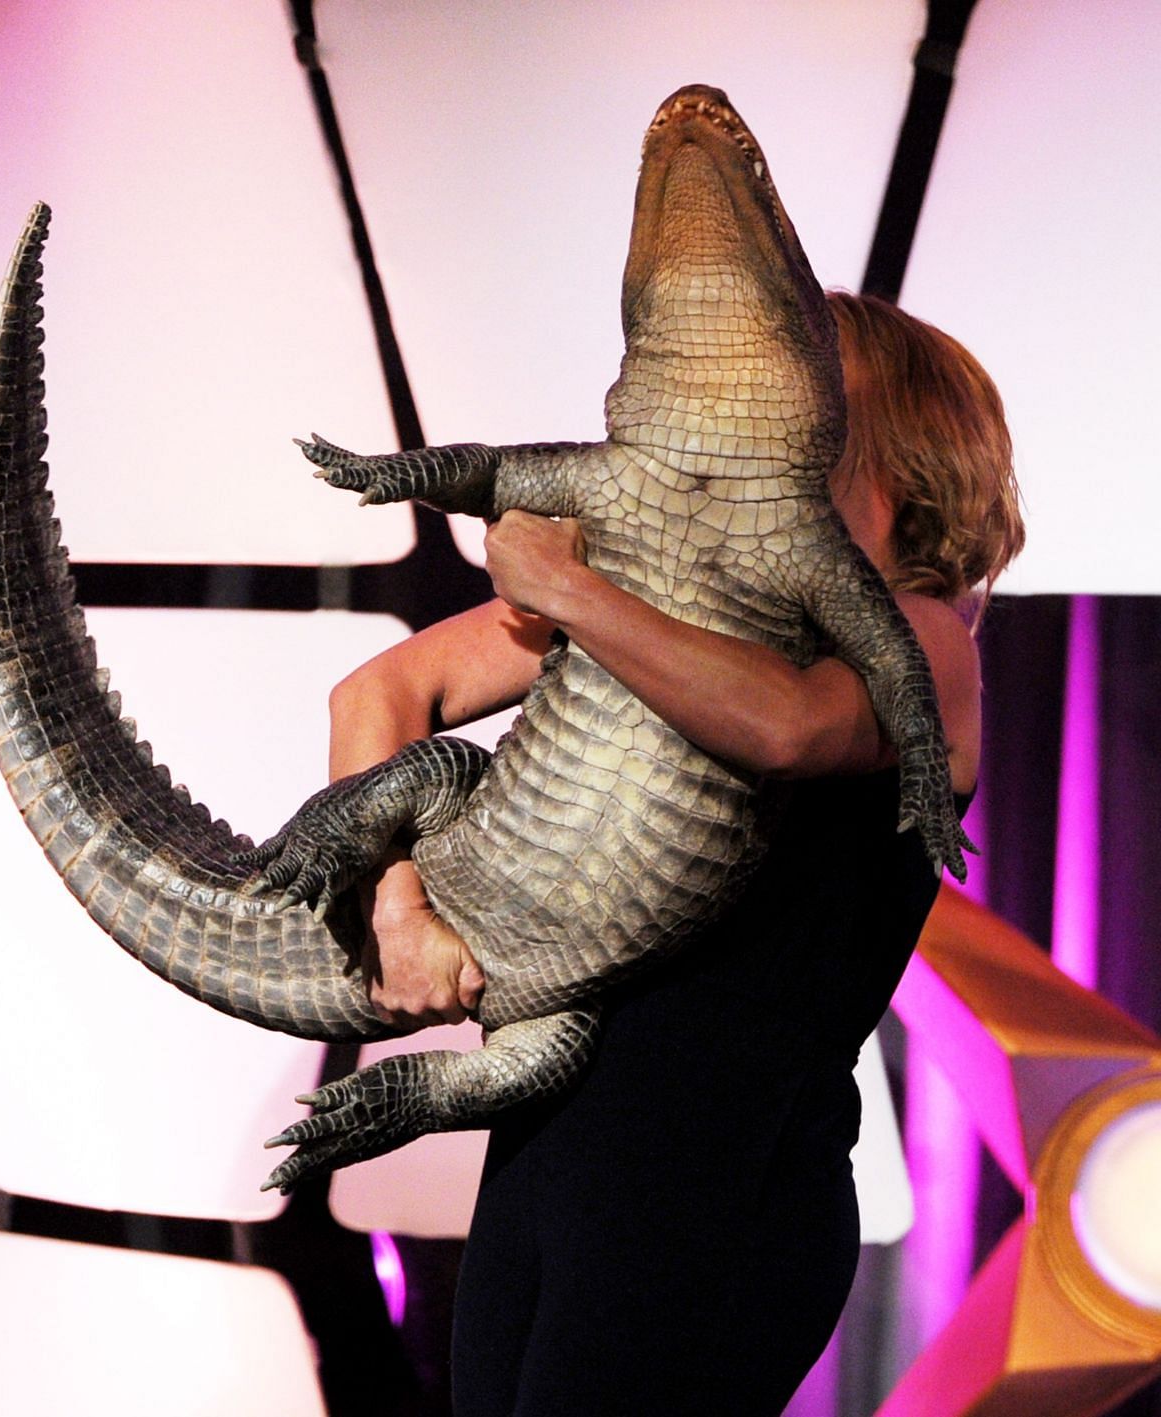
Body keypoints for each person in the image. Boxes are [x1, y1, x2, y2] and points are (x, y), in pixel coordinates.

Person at [328, 291, 1024, 1414]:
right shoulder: (670, 609)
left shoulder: (931, 637)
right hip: (546, 1157)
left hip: (721, 1190)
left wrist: (570, 589)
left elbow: (790, 726)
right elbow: (384, 689)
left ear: (887, 440)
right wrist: (394, 914)